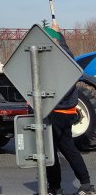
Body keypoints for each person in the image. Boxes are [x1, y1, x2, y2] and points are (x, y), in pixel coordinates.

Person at [44, 26, 94, 195]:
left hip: (56, 111)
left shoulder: (55, 59)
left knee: (50, 152)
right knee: (68, 148)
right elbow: (62, 44)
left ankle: (55, 189)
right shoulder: (68, 56)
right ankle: (86, 185)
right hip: (69, 111)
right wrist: (58, 33)